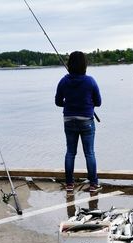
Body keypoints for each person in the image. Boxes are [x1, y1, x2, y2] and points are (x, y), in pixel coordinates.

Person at [55, 51, 102, 193]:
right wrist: (86, 104)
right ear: (84, 65)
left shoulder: (63, 81)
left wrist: (70, 104)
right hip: (86, 120)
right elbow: (98, 102)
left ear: (69, 64)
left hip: (69, 120)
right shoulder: (90, 81)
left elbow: (58, 102)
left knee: (70, 153)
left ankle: (69, 184)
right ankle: (93, 184)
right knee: (89, 153)